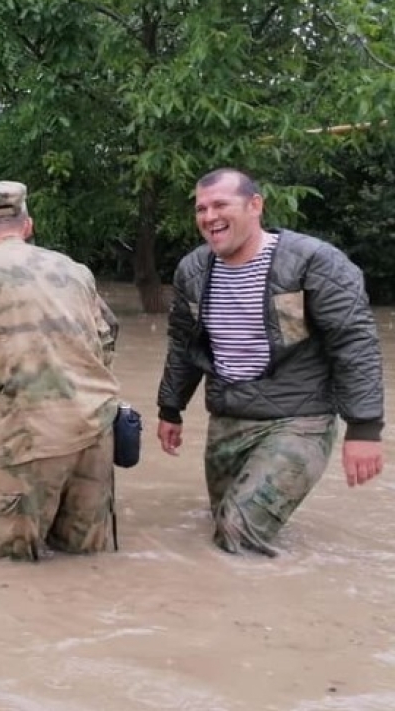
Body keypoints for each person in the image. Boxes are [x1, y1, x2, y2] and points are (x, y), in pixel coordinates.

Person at [156, 167, 385, 556]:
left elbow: (354, 342)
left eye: (220, 205)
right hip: (228, 415)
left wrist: (364, 429)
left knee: (237, 531)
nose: (209, 217)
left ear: (255, 206)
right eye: (201, 209)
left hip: (299, 417)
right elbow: (184, 344)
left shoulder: (315, 262)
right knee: (221, 523)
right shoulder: (193, 270)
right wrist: (170, 408)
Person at [0, 180, 121, 560]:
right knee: (86, 563)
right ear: (28, 226)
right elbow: (105, 341)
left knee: (4, 566)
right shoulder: (75, 271)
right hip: (96, 434)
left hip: (28, 438)